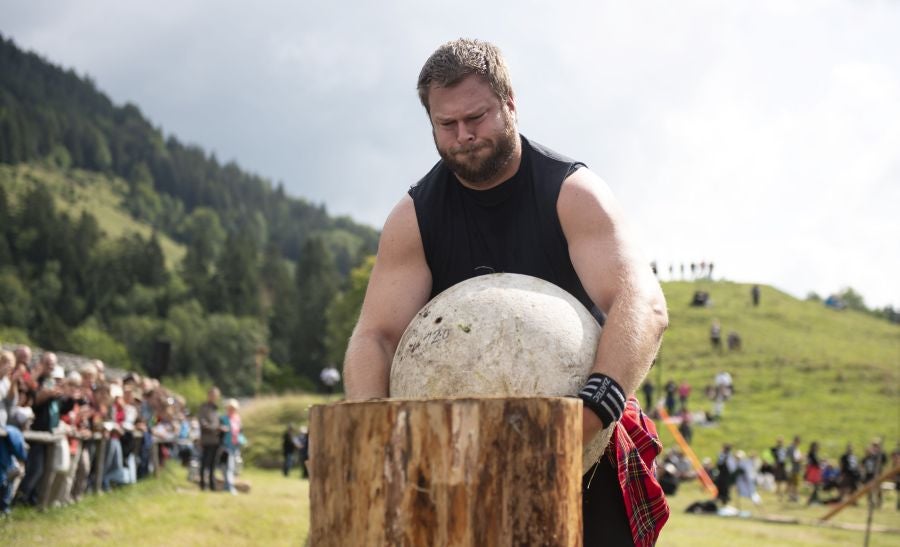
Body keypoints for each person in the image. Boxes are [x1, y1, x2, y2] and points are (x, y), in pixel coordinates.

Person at [342, 38, 669, 547]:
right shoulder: (414, 218)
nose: (464, 136)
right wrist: (374, 430)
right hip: (461, 466)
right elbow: (376, 336)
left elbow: (641, 305)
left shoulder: (571, 194)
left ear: (510, 103)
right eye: (446, 125)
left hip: (584, 443)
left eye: (477, 117)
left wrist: (586, 415)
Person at [198, 387, 222, 491]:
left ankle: (212, 485)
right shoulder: (204, 407)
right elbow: (203, 423)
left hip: (216, 439)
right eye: (212, 395)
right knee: (204, 462)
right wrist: (215, 428)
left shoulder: (216, 408)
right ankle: (203, 484)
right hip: (207, 439)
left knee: (213, 464)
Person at [220, 398, 243, 495]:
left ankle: (228, 486)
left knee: (232, 467)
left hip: (235, 445)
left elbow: (240, 431)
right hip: (225, 445)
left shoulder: (237, 418)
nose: (231, 409)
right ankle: (229, 486)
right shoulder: (223, 419)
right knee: (226, 466)